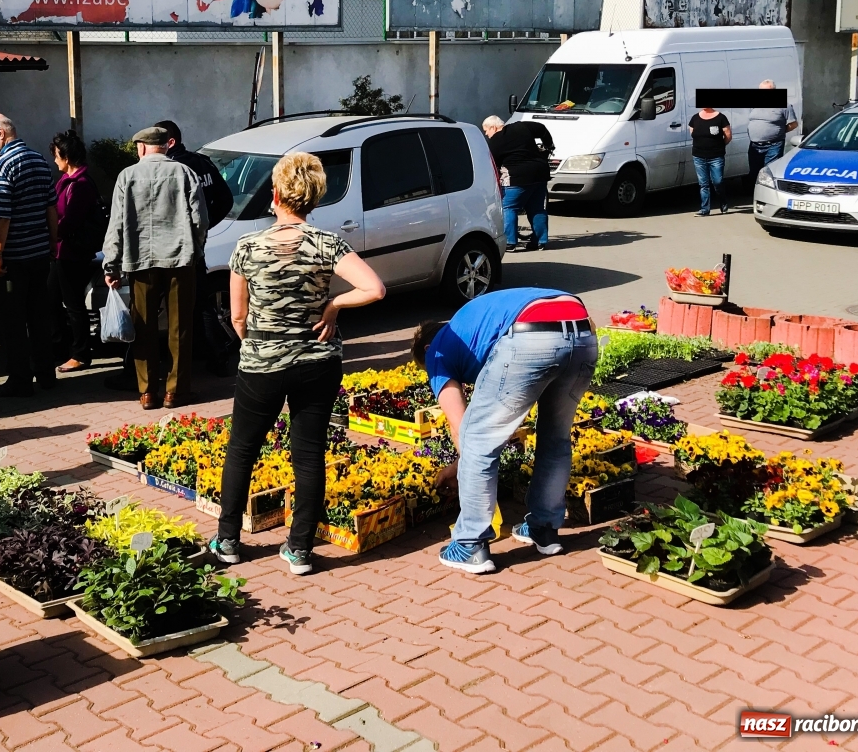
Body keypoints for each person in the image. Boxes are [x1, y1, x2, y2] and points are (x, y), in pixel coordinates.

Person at [209, 152, 385, 575]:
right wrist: (335, 305)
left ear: (274, 195)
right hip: (318, 362)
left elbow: (236, 316)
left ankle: (229, 540)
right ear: (314, 199)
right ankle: (300, 549)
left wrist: (257, 345)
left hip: (262, 362)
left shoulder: (247, 247)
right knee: (308, 454)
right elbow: (375, 289)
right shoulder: (328, 243)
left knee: (242, 449)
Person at [417, 287, 598, 574]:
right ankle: (544, 529)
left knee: (477, 440)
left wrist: (462, 464)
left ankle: (469, 545)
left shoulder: (437, 351)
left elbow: (461, 426)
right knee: (555, 436)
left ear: (427, 351)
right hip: (582, 329)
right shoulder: (474, 327)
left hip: (530, 333)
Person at [103, 126, 208, 409]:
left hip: (141, 261)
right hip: (180, 259)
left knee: (143, 326)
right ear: (166, 145)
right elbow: (199, 220)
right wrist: (196, 249)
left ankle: (147, 391)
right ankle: (177, 390)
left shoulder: (127, 176)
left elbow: (116, 225)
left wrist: (111, 265)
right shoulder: (185, 173)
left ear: (142, 147)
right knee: (180, 327)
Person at [0, 113, 58, 398]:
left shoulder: (1, 166)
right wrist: (52, 242)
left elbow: (1, 217)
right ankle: (47, 375)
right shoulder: (39, 160)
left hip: (12, 259)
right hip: (38, 254)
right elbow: (51, 208)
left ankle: (20, 380)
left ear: (0, 134)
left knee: (11, 320)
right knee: (38, 316)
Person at [159, 119, 237, 372]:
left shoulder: (173, 168)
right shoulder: (202, 162)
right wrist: (204, 228)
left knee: (179, 303)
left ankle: (190, 359)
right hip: (196, 244)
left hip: (175, 247)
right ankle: (215, 355)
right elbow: (225, 199)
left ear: (171, 142)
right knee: (200, 302)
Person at [49, 130, 105, 374]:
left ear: (66, 157)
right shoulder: (66, 181)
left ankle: (81, 354)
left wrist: (51, 233)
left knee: (73, 304)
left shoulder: (80, 185)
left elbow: (70, 221)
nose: (54, 160)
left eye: (56, 155)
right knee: (50, 298)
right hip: (61, 251)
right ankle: (59, 347)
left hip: (72, 253)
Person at [482, 115, 554, 251]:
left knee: (509, 207)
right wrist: (548, 145)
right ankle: (540, 241)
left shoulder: (494, 142)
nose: (486, 134)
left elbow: (494, 165)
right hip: (540, 172)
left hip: (518, 177)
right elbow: (542, 128)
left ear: (493, 127)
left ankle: (510, 242)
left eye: (486, 130)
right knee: (537, 208)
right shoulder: (521, 126)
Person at [746, 80, 798, 187]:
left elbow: (794, 124)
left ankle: (769, 196)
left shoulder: (785, 105)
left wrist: (779, 131)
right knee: (754, 173)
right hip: (755, 145)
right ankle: (757, 195)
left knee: (769, 173)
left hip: (773, 145)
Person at [688, 104, 732, 215]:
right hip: (699, 156)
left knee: (718, 181)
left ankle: (723, 201)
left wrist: (719, 146)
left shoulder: (721, 118)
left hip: (716, 156)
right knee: (704, 184)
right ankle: (705, 209)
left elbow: (728, 136)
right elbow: (692, 133)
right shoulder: (695, 118)